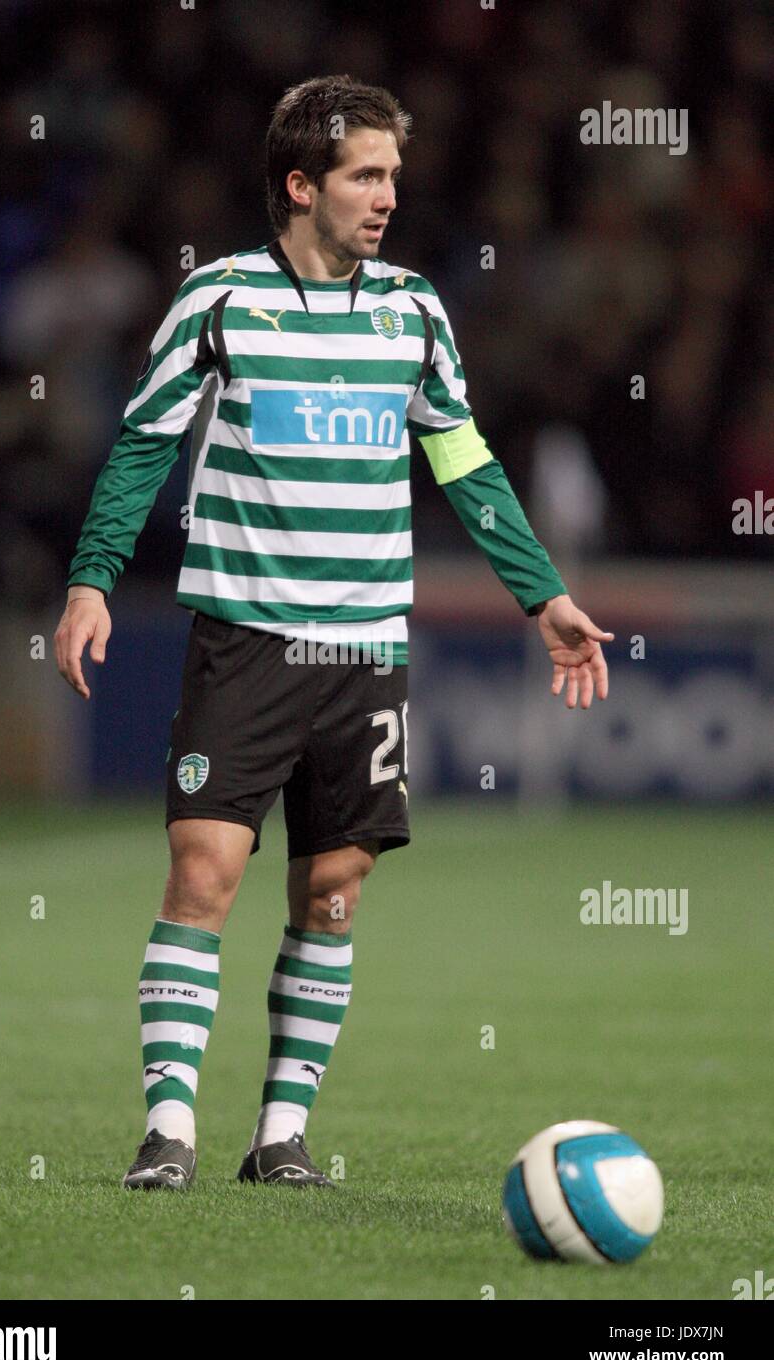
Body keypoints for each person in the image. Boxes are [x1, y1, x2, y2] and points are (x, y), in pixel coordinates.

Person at [54, 75, 613, 1191]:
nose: (386, 198)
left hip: (366, 647)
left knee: (333, 888)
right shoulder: (216, 299)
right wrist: (90, 581)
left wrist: (539, 593)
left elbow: (462, 458)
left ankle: (280, 1136)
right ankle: (169, 1129)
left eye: (394, 178)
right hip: (246, 635)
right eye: (365, 175)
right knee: (204, 865)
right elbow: (141, 445)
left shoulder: (412, 311)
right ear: (300, 184)